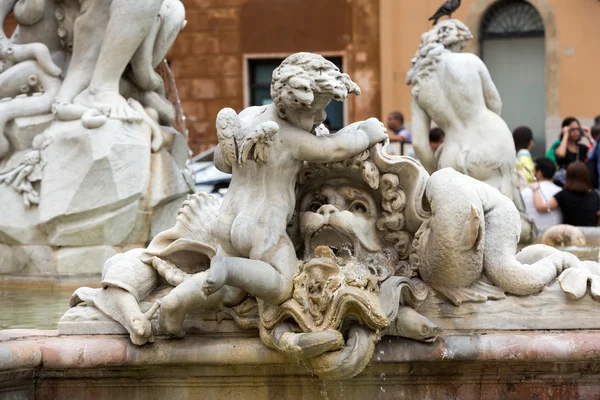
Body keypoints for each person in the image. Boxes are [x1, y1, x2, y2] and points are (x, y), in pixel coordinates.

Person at [533, 161, 599, 227]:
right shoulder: (595, 195)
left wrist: (536, 189)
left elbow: (541, 208)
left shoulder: (562, 195)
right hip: (591, 234)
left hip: (569, 234)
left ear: (568, 176)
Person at [521, 158, 562, 230]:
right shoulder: (561, 192)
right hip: (555, 235)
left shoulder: (526, 191)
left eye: (533, 171)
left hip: (532, 235)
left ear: (539, 173)